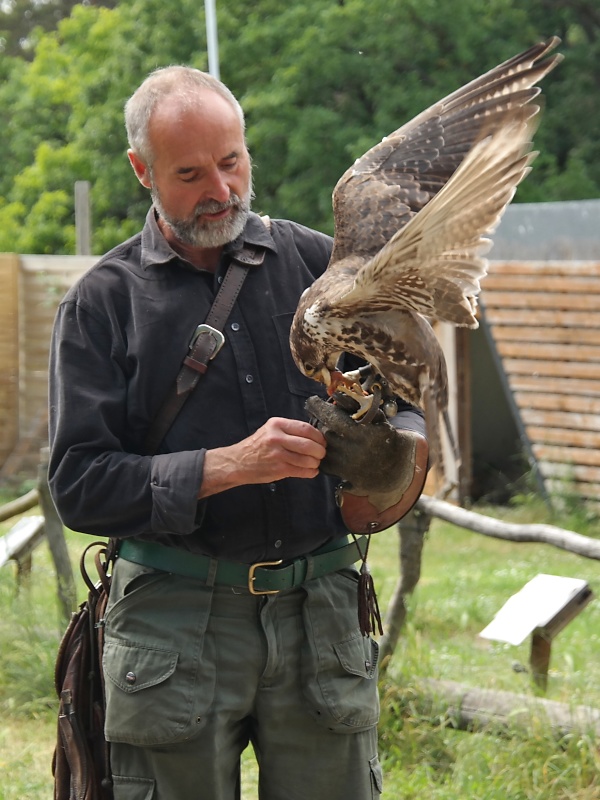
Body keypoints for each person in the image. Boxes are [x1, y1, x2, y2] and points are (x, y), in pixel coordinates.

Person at [48, 66, 428, 800]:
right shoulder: (102, 303)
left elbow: (406, 398)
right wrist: (229, 465)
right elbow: (79, 486)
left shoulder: (321, 264)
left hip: (321, 613)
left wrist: (392, 461)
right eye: (190, 174)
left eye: (231, 162)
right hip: (172, 622)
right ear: (142, 170)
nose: (220, 190)